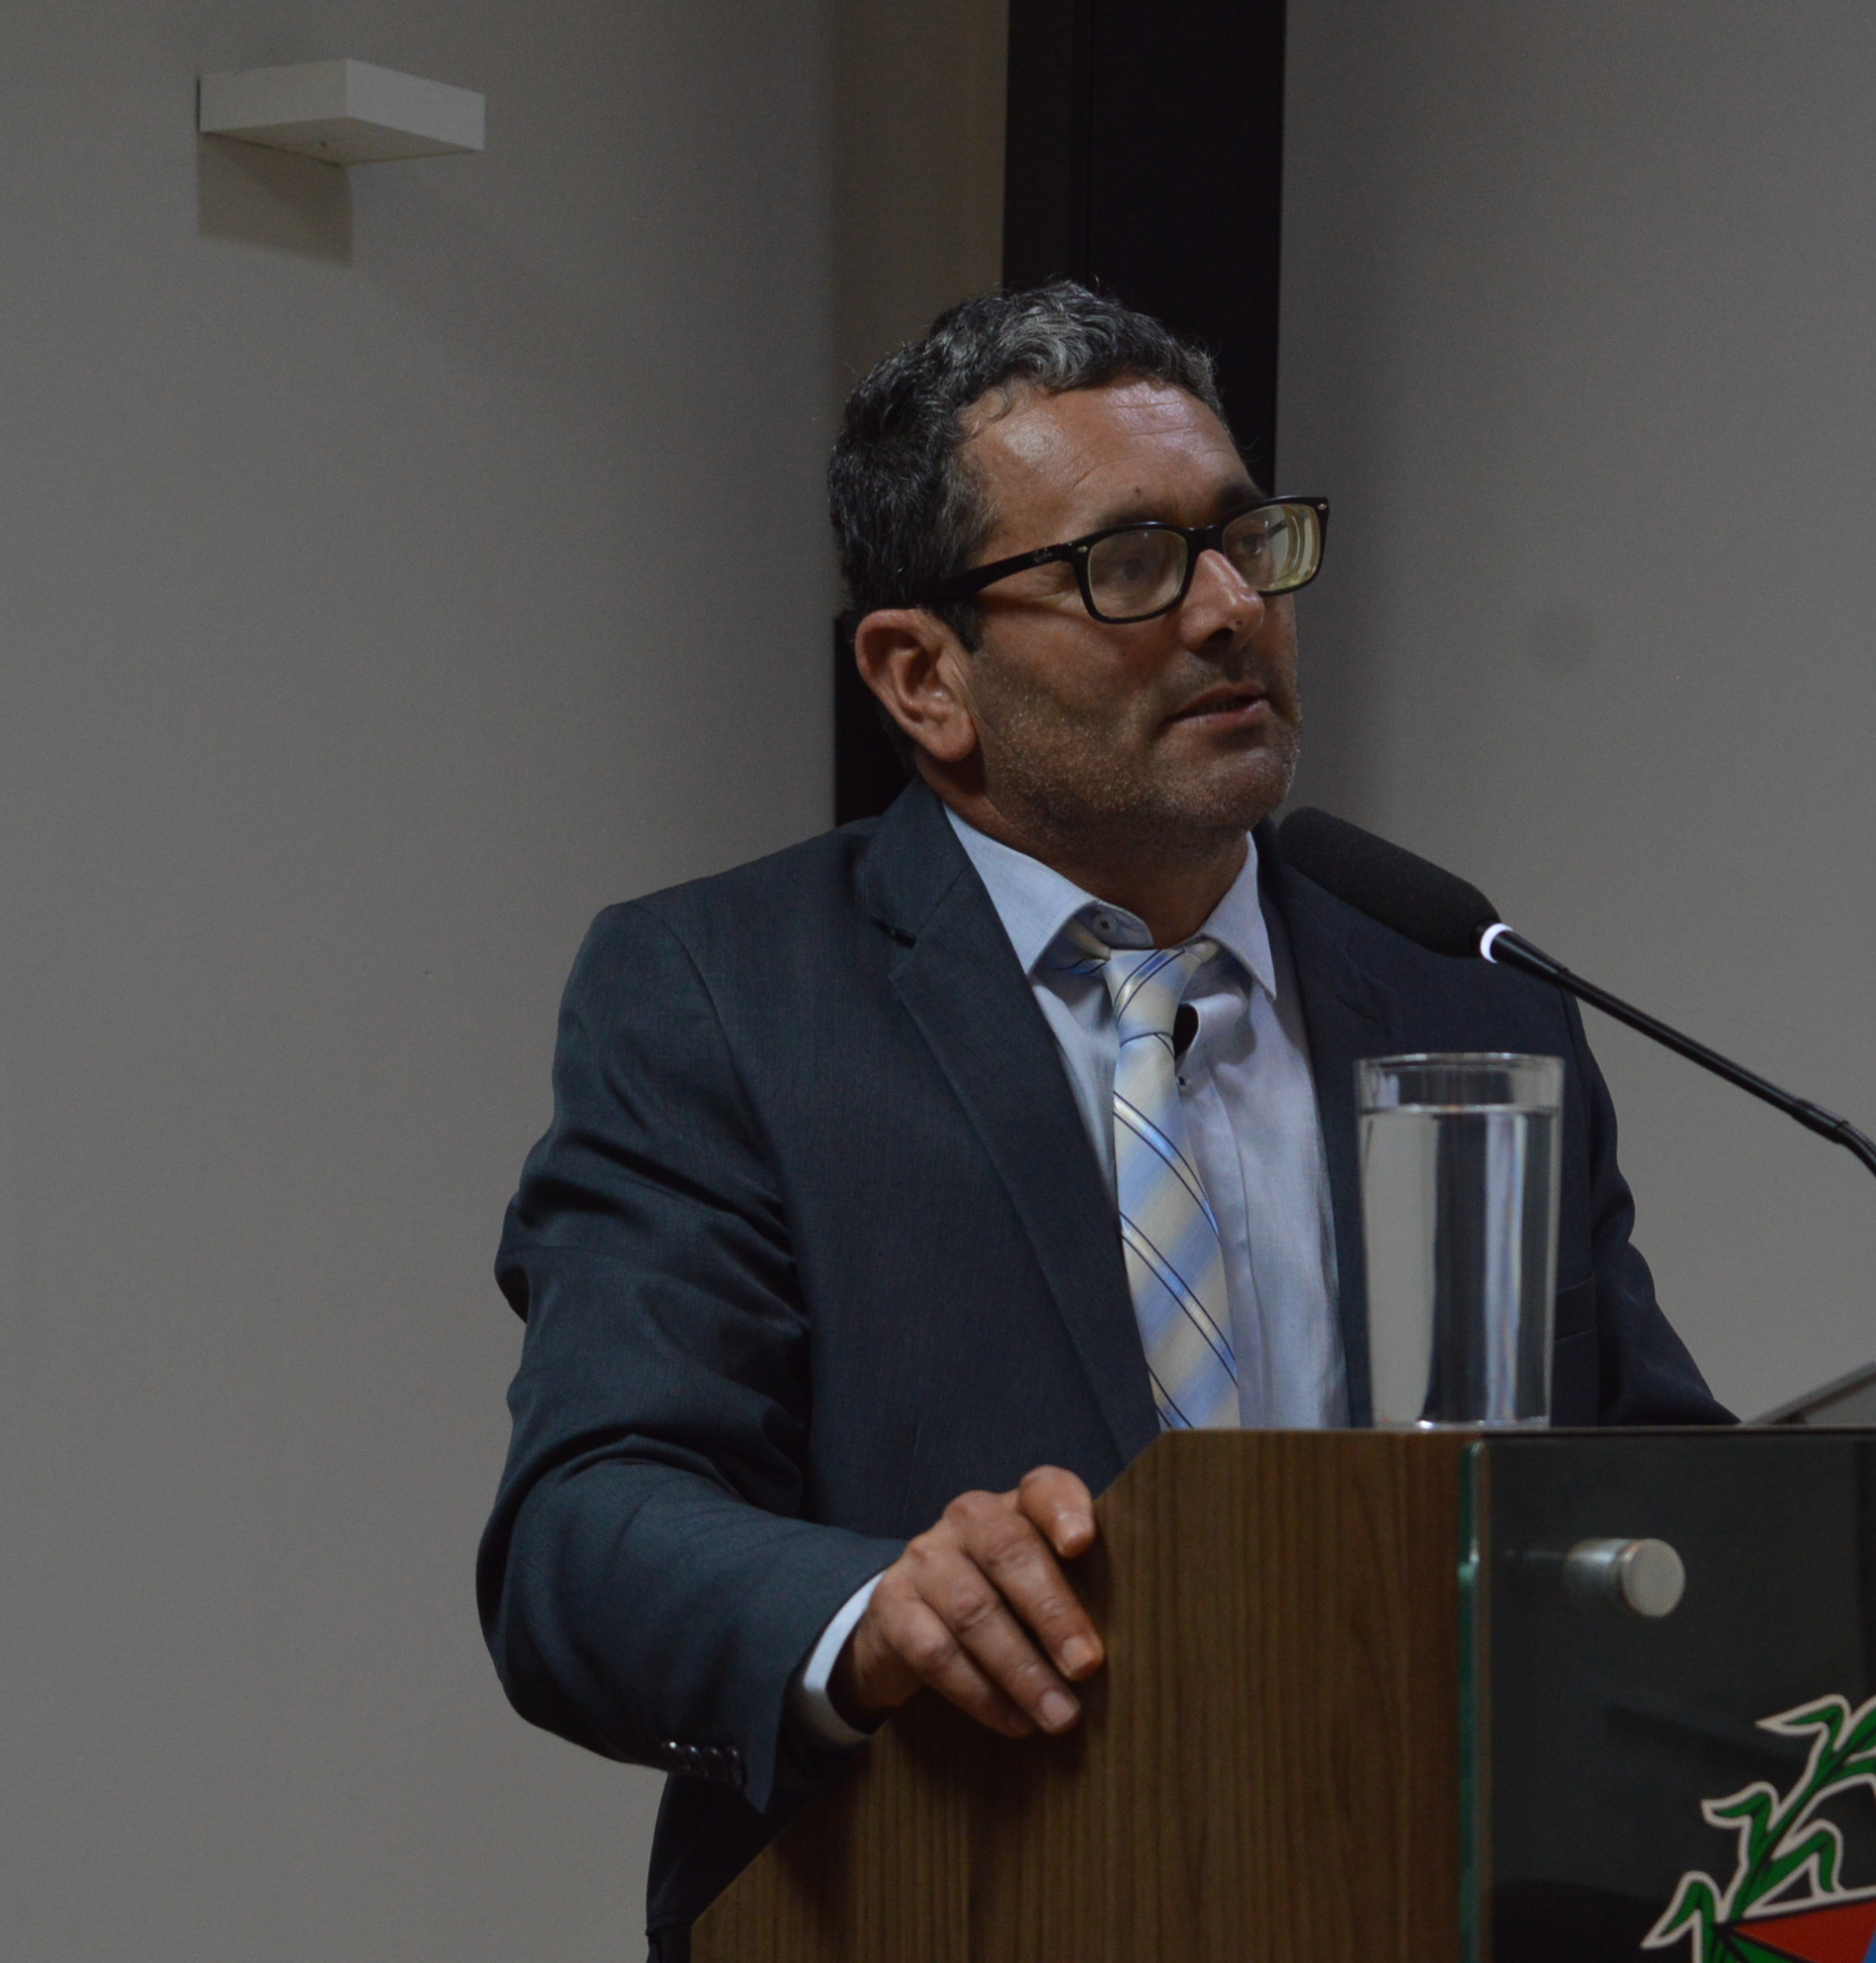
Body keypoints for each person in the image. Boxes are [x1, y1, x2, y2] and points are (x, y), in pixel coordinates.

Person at [477, 282, 1729, 1957]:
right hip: (966, 1905)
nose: (1230, 610)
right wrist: (872, 1611)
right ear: (924, 675)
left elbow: (1653, 1490)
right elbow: (587, 1533)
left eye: (1245, 541)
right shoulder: (728, 996)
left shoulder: (1467, 995)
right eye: (1129, 565)